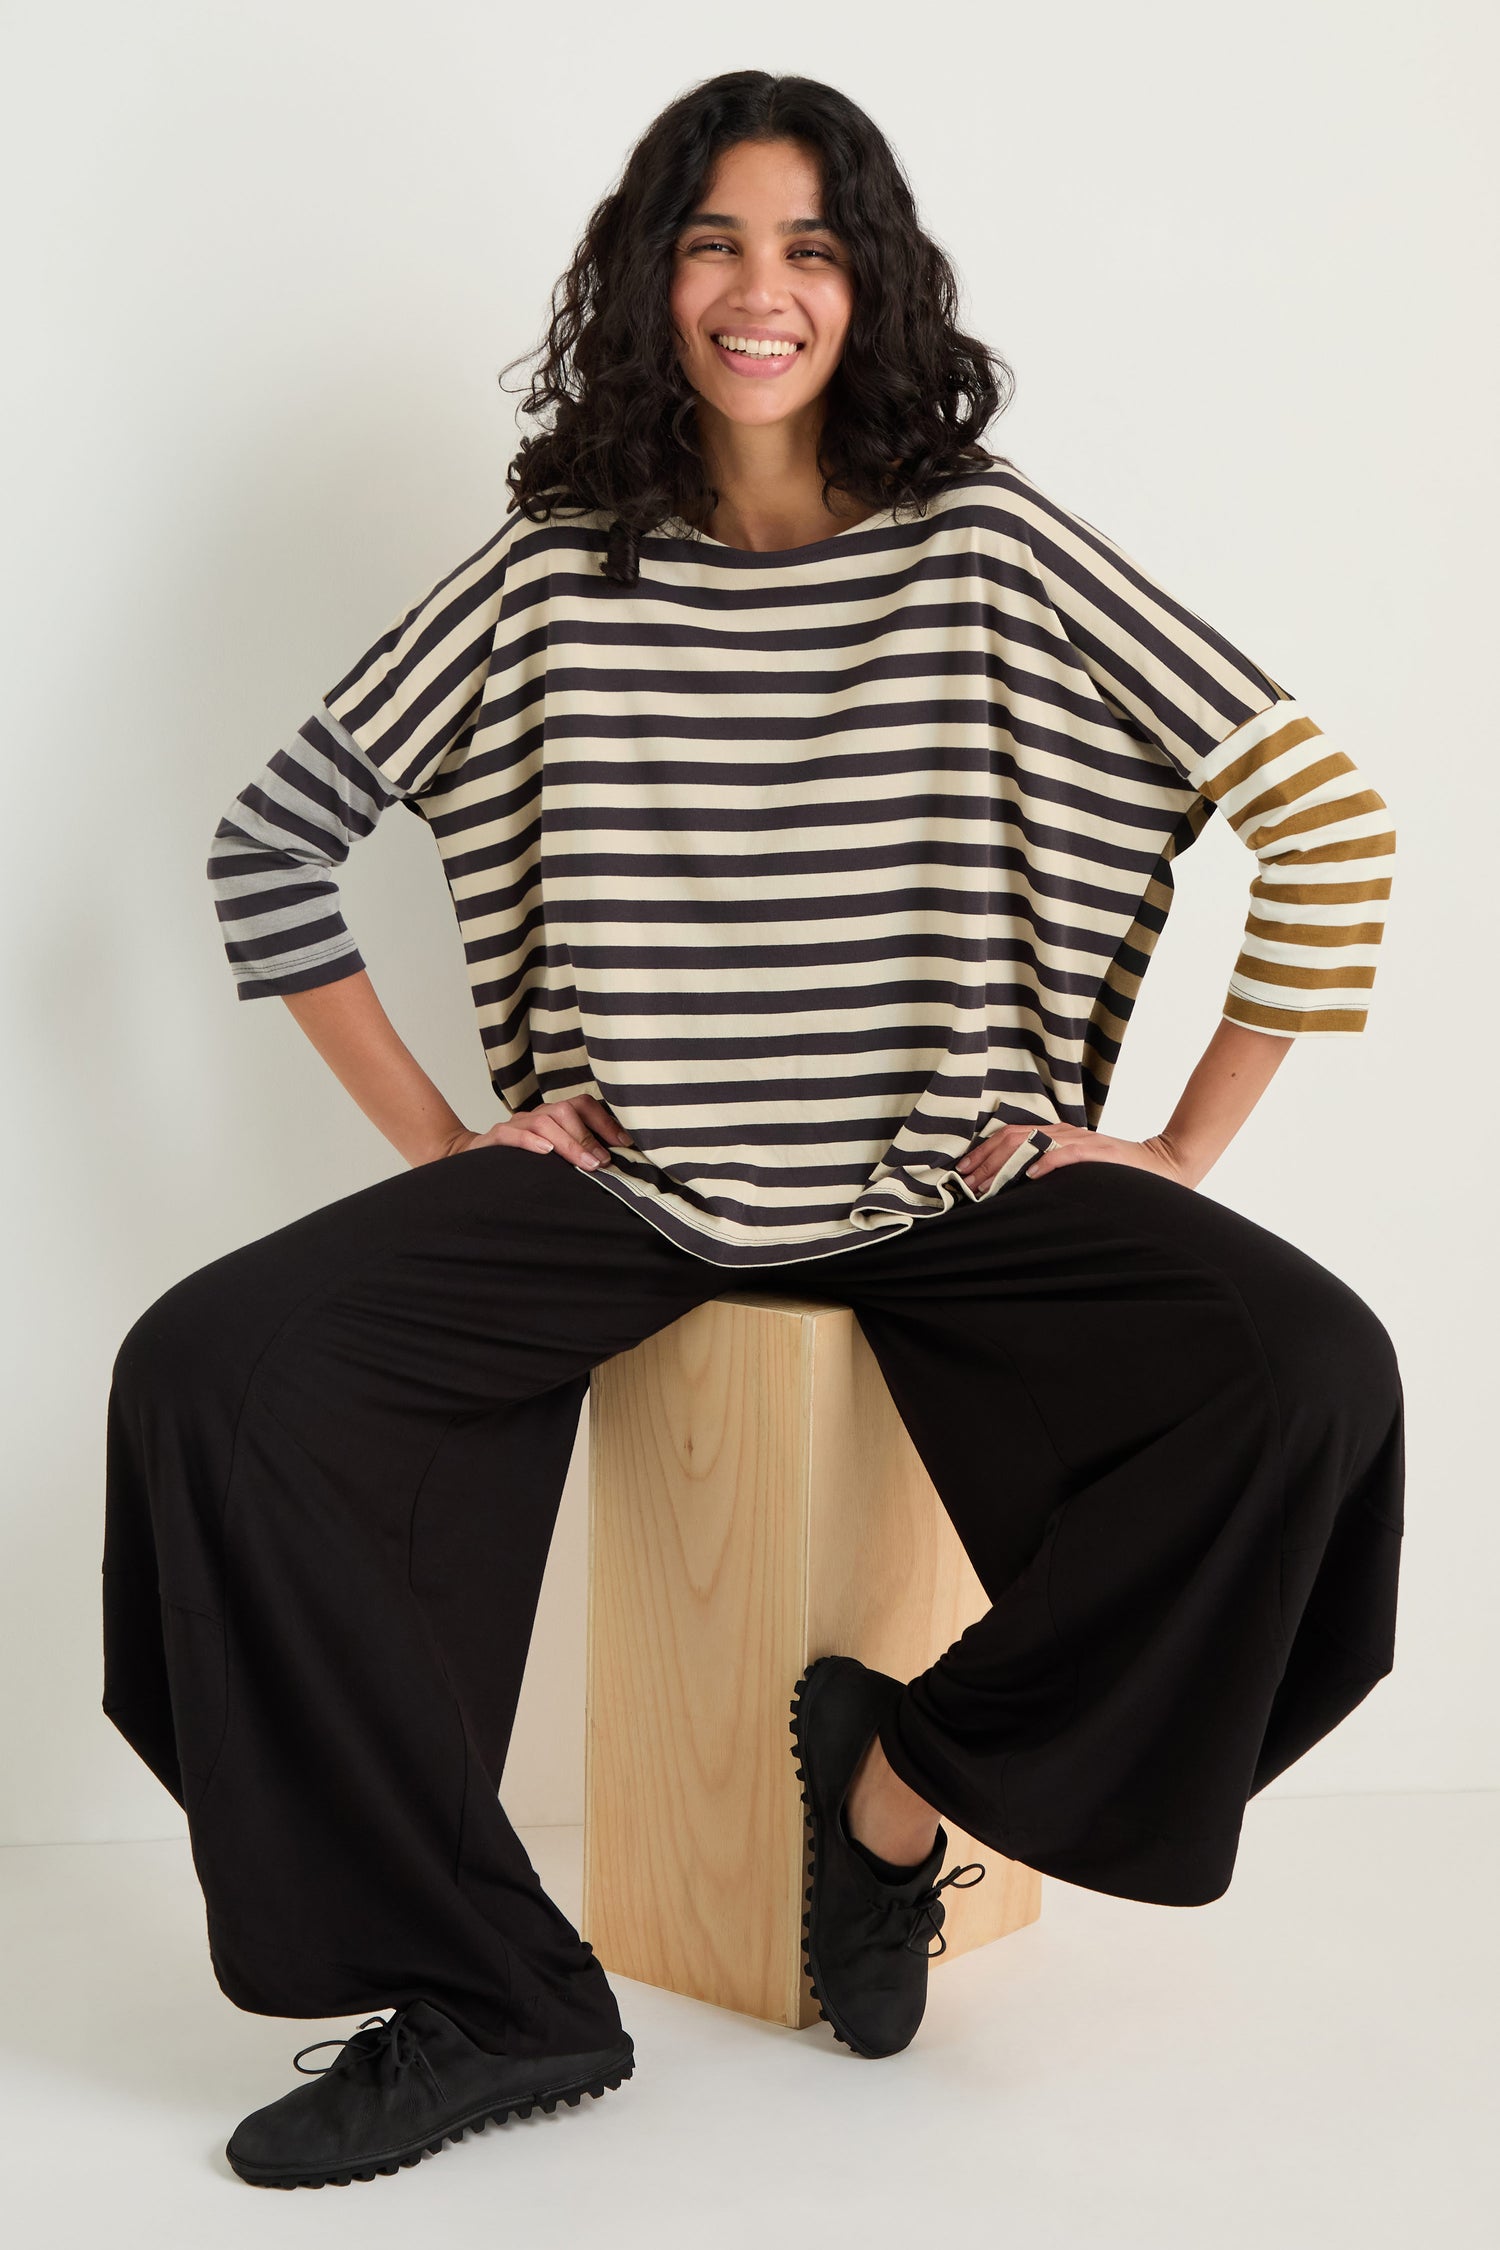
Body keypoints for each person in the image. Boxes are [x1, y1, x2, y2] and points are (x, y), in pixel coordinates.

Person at [102, 68, 1404, 2190]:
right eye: (715, 239)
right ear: (652, 276)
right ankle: (490, 1990)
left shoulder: (985, 546)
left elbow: (1320, 815)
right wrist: (452, 1148)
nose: (760, 287)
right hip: (632, 1198)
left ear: (868, 284)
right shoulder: (551, 570)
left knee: (1310, 1380)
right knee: (212, 1381)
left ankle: (901, 1789)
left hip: (939, 1188)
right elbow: (275, 848)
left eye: (808, 245)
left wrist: (1170, 1156)